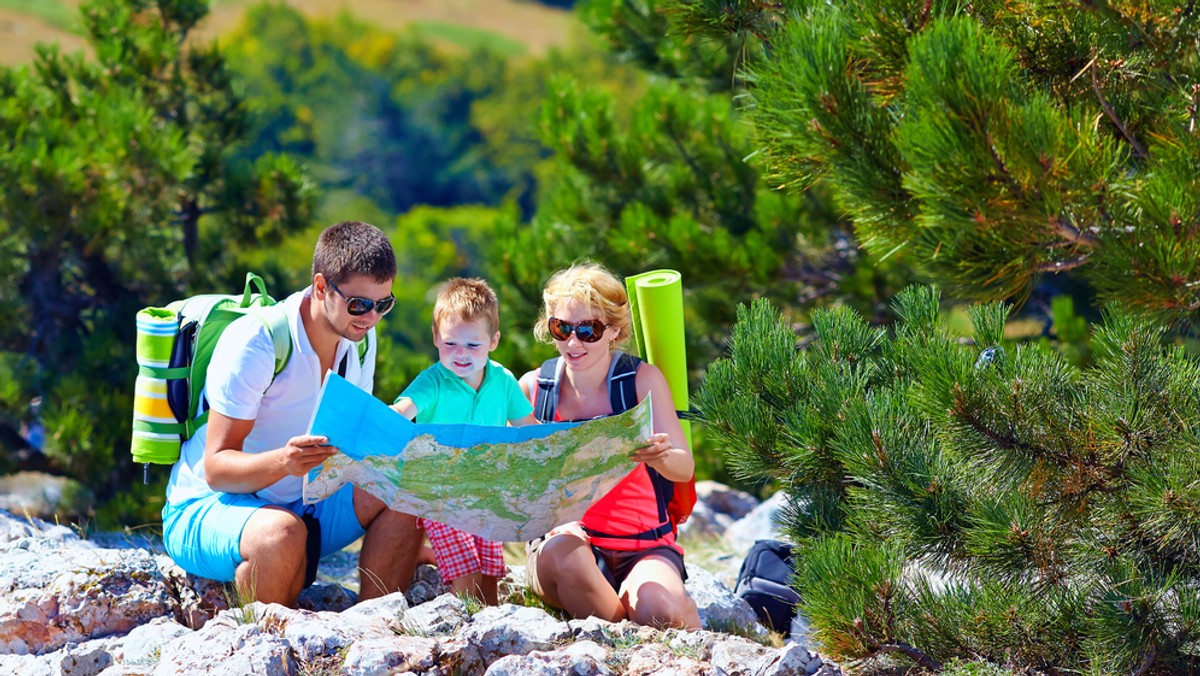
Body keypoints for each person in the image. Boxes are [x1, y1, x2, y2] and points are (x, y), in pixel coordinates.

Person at [162, 221, 422, 606]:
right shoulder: (258, 343)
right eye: (359, 304)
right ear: (321, 287)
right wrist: (286, 461)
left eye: (383, 304)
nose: (371, 318)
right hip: (206, 507)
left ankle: (375, 630)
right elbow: (216, 469)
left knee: (410, 488)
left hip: (303, 504)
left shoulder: (360, 342)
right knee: (281, 536)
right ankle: (262, 647)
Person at [519, 262, 700, 629]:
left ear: (613, 331)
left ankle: (640, 619)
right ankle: (624, 631)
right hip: (568, 544)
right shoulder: (534, 389)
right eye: (561, 328)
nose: (572, 343)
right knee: (564, 551)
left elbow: (684, 467)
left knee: (658, 610)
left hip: (644, 546)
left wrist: (661, 457)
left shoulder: (640, 381)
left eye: (588, 330)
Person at [391, 277, 538, 604]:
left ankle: (484, 626)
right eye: (450, 344)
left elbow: (529, 428)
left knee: (489, 574)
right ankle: (461, 630)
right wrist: (381, 417)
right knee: (467, 570)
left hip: (486, 492)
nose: (460, 354)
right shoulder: (433, 381)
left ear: (494, 341)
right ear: (435, 338)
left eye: (473, 345)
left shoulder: (503, 381)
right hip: (440, 492)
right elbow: (403, 410)